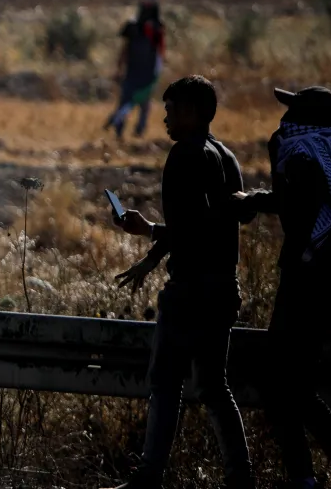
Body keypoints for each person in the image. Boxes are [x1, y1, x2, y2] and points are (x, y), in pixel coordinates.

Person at [106, 75, 253, 489]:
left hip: (189, 290)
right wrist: (151, 246)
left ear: (191, 112)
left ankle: (149, 476)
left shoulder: (184, 155)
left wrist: (150, 240)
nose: (165, 119)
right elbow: (209, 225)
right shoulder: (226, 156)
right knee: (215, 388)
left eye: (171, 111)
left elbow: (189, 229)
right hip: (222, 288)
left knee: (166, 383)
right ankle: (240, 478)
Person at [230, 87, 331, 489]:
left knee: (284, 387)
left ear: (303, 120)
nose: (282, 122)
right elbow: (297, 203)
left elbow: (295, 206)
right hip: (318, 284)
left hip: (305, 285)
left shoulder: (304, 155)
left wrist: (253, 198)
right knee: (290, 387)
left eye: (290, 113)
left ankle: (330, 475)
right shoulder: (327, 154)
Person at [105, 0, 166, 139]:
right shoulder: (132, 26)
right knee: (126, 101)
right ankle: (118, 130)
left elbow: (160, 50)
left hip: (148, 72)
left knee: (144, 103)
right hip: (132, 71)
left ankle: (139, 131)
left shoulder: (157, 27)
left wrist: (158, 69)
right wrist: (119, 68)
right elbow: (125, 49)